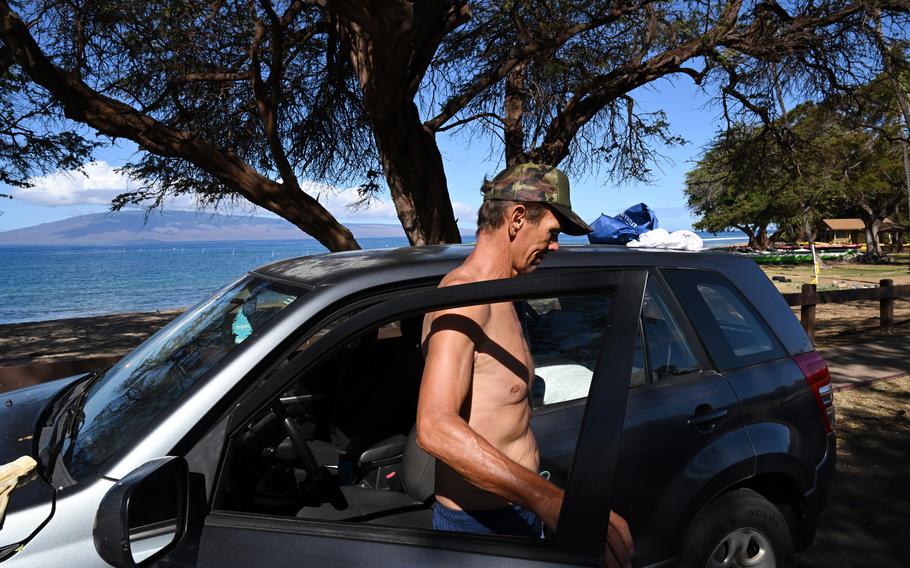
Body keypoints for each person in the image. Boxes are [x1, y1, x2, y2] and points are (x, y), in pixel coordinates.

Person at [416, 163, 634, 568]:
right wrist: (550, 500)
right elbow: (435, 428)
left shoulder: (503, 293)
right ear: (517, 218)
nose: (555, 247)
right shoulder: (464, 297)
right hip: (478, 527)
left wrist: (539, 500)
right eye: (551, 233)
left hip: (518, 510)